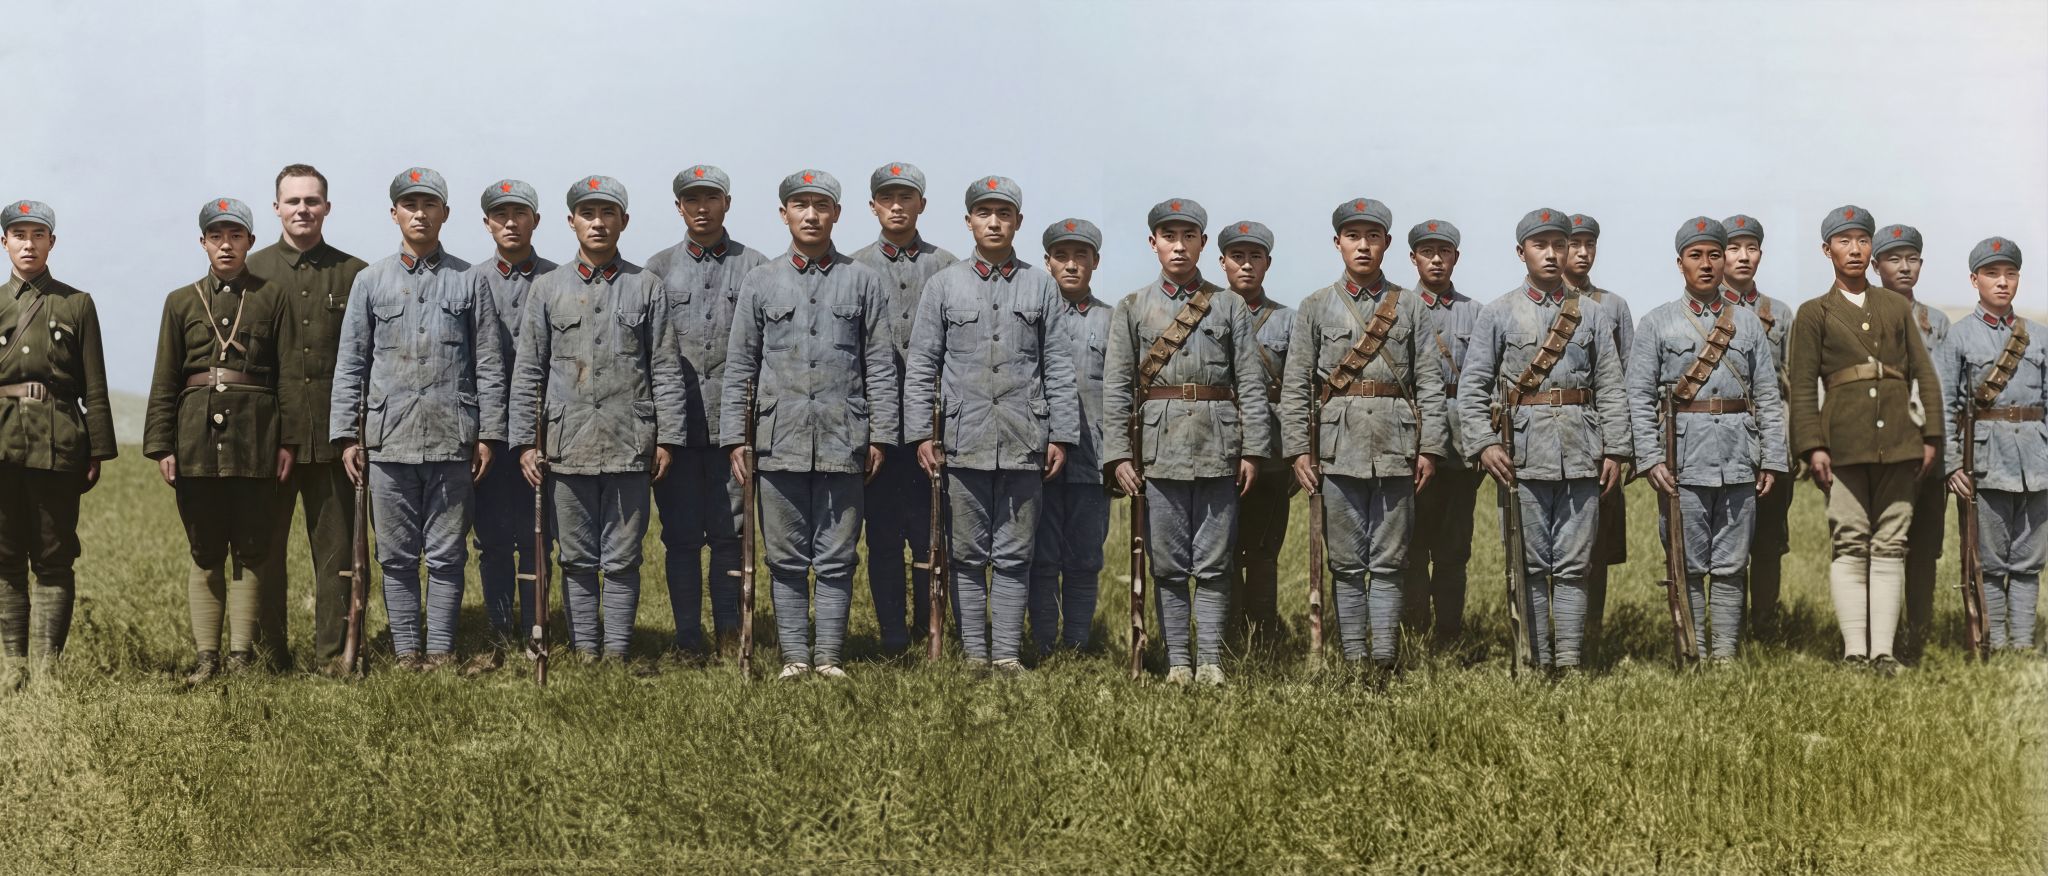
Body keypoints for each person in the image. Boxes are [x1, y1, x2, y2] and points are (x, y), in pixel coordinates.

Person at [329, 167, 507, 671]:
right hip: (388, 441)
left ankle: (442, 650)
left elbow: (489, 363)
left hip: (453, 439)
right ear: (395, 214)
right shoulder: (370, 281)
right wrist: (347, 437)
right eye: (410, 205)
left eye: (430, 205)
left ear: (445, 214)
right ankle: (408, 652)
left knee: (448, 555)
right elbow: (351, 363)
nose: (420, 214)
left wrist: (488, 435)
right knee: (397, 555)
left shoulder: (470, 280)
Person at [721, 169, 897, 680]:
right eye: (801, 205)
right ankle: (796, 657)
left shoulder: (864, 280)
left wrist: (881, 436)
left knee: (838, 557)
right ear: (784, 214)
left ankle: (830, 658)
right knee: (786, 557)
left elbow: (880, 365)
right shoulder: (760, 281)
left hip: (845, 439)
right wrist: (736, 439)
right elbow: (741, 365)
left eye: (822, 206)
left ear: (837, 214)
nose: (812, 215)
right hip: (779, 441)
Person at [903, 176, 1077, 673]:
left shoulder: (1041, 285)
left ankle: (1005, 654)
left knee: (1015, 553)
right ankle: (975, 655)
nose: (994, 223)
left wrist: (1061, 436)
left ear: (1018, 222)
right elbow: (922, 364)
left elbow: (1057, 364)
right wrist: (921, 435)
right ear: (969, 221)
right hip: (963, 441)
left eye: (1004, 214)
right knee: (966, 552)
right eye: (984, 213)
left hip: (1024, 439)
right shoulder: (944, 285)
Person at [509, 176, 686, 664]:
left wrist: (668, 438)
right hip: (567, 447)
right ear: (571, 222)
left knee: (624, 557)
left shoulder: (646, 287)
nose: (598, 223)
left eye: (608, 213)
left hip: (631, 443)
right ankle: (587, 650)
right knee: (577, 557)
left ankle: (618, 651)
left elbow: (665, 369)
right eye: (588, 213)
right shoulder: (547, 289)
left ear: (624, 221)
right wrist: (525, 443)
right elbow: (529, 372)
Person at [1101, 198, 1272, 686]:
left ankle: (1211, 661)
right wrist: (1119, 455)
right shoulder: (1132, 307)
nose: (1179, 246)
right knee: (1169, 563)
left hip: (1220, 448)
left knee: (1215, 563)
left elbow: (1250, 383)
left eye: (1188, 237)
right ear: (1153, 243)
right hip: (1159, 452)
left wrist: (1253, 450)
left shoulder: (1228, 305)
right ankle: (1178, 660)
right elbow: (1117, 388)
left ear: (1202, 243)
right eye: (1169, 236)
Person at [1455, 208, 1629, 674]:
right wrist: (1485, 444)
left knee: (1574, 564)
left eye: (1559, 245)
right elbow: (1472, 389)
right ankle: (1534, 661)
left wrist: (1615, 450)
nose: (1552, 254)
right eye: (1541, 245)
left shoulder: (1593, 315)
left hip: (1582, 452)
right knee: (1529, 564)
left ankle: (1569, 663)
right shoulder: (1497, 313)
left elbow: (1611, 387)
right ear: (1522, 252)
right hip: (1522, 456)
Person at [1278, 198, 1448, 672]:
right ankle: (1354, 659)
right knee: (1347, 560)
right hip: (1337, 449)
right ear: (1338, 243)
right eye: (1353, 236)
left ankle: (1385, 659)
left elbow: (1429, 382)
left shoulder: (1409, 306)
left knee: (1391, 560)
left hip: (1397, 446)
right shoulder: (1315, 306)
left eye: (1373, 237)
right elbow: (1296, 385)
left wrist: (1431, 448)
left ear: (1387, 244)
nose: (1363, 246)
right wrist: (1298, 451)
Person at [1785, 206, 1942, 674]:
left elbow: (1924, 374)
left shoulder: (1895, 306)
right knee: (1851, 540)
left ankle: (1883, 653)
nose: (1854, 250)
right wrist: (1813, 445)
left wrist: (1931, 435)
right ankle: (1855, 651)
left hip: (1899, 441)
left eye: (1862, 240)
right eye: (1844, 241)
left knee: (1891, 542)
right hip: (1843, 444)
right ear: (1827, 250)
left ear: (1871, 248)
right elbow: (1801, 386)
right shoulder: (1813, 312)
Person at [144, 198, 294, 684]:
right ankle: (207, 659)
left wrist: (287, 442)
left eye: (235, 236)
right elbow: (165, 378)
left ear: (250, 242)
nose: (225, 245)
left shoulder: (272, 297)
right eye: (216, 236)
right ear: (203, 242)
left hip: (255, 438)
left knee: (251, 548)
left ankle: (241, 659)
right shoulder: (180, 301)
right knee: (205, 548)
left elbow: (288, 377)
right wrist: (163, 445)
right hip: (195, 442)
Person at [1625, 217, 1787, 661]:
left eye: (1715, 255)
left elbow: (1767, 396)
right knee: (1688, 563)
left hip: (1739, 457)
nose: (1707, 264)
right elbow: (1638, 397)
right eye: (1696, 256)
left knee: (1733, 565)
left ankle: (1726, 657)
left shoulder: (1748, 325)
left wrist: (1772, 458)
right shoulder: (1656, 323)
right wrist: (1650, 459)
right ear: (1680, 264)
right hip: (1682, 460)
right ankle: (1692, 654)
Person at [246, 164, 368, 673]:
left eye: (312, 201)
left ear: (327, 208)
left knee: (338, 556)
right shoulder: (251, 273)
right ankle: (267, 656)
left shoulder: (356, 274)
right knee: (263, 552)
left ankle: (334, 656)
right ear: (276, 207)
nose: (302, 210)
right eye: (293, 201)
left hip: (335, 441)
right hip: (269, 443)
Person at [645, 165, 767, 660]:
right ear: (678, 207)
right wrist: (662, 433)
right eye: (691, 199)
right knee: (680, 538)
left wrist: (747, 430)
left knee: (729, 535)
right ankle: (687, 638)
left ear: (727, 203)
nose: (702, 208)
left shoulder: (756, 267)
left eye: (711, 198)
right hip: (677, 430)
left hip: (734, 429)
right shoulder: (656, 270)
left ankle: (730, 635)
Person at [0, 200, 116, 691]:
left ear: (52, 242)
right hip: (2, 445)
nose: (28, 244)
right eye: (19, 235)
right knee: (4, 556)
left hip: (58, 444)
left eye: (38, 235)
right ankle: (13, 667)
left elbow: (95, 385)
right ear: (4, 242)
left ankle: (47, 671)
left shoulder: (76, 304)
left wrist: (97, 449)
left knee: (53, 557)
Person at [851, 162, 959, 653]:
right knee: (883, 537)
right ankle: (892, 634)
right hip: (876, 429)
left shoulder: (948, 268)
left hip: (934, 430)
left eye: (906, 198)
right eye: (887, 198)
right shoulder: (853, 268)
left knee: (931, 533)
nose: (897, 207)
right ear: (873, 206)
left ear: (922, 205)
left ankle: (928, 626)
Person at [466, 179, 557, 671]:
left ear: (535, 221)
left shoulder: (559, 279)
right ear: (486, 224)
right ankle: (498, 630)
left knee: (539, 535)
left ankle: (537, 627)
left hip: (546, 434)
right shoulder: (471, 280)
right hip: (488, 434)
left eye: (519, 213)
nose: (510, 223)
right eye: (500, 215)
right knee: (492, 538)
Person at [1940, 237, 2042, 655]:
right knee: (1990, 561)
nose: (2002, 282)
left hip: (2037, 463)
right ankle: (1994, 644)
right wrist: (1951, 464)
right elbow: (1944, 405)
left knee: (2030, 561)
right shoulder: (1959, 336)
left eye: (2010, 274)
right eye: (1992, 274)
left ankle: (2022, 644)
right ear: (1974, 280)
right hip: (1984, 463)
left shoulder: (2039, 337)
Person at [1031, 218, 1111, 656]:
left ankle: (1078, 645)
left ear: (1095, 262)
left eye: (1082, 255)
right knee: (1041, 556)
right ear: (1048, 262)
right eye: (1061, 256)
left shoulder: (1112, 321)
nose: (1072, 265)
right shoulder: (1031, 314)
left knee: (1084, 557)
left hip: (1091, 459)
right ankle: (1043, 643)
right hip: (1037, 458)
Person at [1872, 223, 1950, 663]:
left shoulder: (1935, 322)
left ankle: (1917, 638)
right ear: (1876, 265)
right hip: (1880, 453)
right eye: (1894, 259)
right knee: (1880, 548)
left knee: (1923, 549)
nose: (1904, 267)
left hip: (1928, 453)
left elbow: (1948, 391)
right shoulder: (1862, 313)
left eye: (1912, 258)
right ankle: (1878, 640)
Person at [1401, 219, 1482, 644]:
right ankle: (1414, 634)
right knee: (1411, 547)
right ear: (1413, 258)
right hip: (1408, 443)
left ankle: (1450, 635)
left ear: (1456, 257)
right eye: (1427, 252)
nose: (1436, 260)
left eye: (1444, 252)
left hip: (1460, 447)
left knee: (1453, 549)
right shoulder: (1396, 308)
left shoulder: (1477, 314)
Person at [1719, 214, 1796, 639]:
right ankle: (1726, 628)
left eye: (1751, 248)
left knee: (1768, 539)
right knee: (1725, 538)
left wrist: (1791, 447)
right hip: (1721, 440)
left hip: (1770, 438)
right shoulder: (1706, 309)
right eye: (1734, 248)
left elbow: (1794, 384)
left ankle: (1765, 625)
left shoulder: (1778, 313)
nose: (1743, 256)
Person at [1216, 220, 1293, 651]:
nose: (1246, 265)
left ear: (1268, 263)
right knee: (1221, 550)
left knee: (1264, 551)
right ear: (1222, 262)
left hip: (1273, 454)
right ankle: (1227, 639)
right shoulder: (1204, 312)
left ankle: (1263, 639)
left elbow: (1302, 391)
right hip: (1219, 449)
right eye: (1237, 257)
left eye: (1255, 257)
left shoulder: (1287, 321)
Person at [1562, 213, 1632, 644]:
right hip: (1549, 439)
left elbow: (1625, 380)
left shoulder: (1613, 306)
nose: (1583, 252)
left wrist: (1619, 448)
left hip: (1598, 440)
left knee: (1597, 546)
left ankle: (1591, 635)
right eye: (1574, 243)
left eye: (1590, 244)